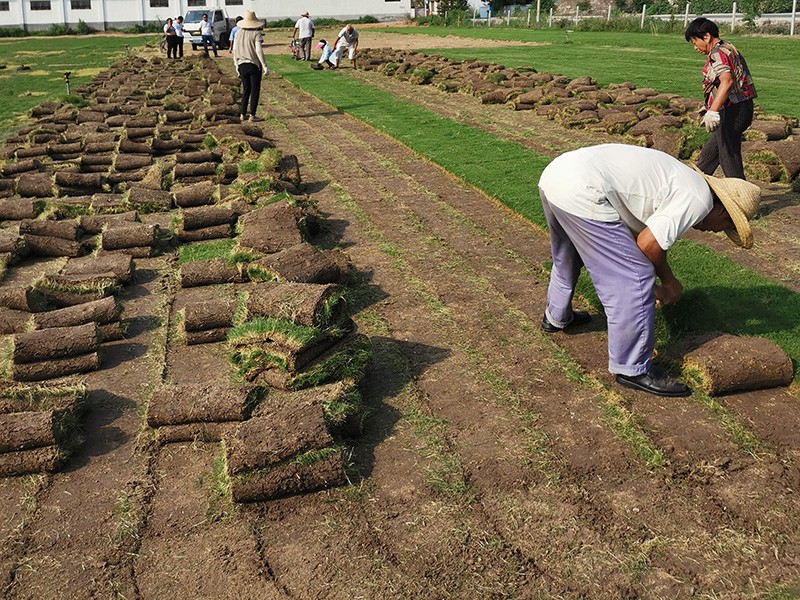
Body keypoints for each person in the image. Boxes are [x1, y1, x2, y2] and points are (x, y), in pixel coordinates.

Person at [538, 143, 761, 397]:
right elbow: (648, 243)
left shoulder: (686, 180)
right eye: (725, 225)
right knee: (635, 277)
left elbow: (640, 236)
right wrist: (668, 282)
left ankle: (556, 316)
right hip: (583, 189)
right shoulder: (699, 199)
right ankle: (632, 369)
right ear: (722, 209)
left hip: (556, 175)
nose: (717, 232)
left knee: (568, 255)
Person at [685, 17, 757, 180]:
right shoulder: (728, 47)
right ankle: (692, 184)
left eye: (695, 42)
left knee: (729, 157)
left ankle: (740, 198)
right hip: (742, 107)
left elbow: (727, 81)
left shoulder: (717, 54)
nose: (695, 47)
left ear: (706, 36)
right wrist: (710, 105)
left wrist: (713, 111)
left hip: (733, 110)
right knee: (708, 157)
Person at [232, 10, 269, 122]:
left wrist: (236, 65)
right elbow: (258, 50)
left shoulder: (238, 33)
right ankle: (252, 115)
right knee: (254, 90)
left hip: (241, 64)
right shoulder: (256, 34)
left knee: (246, 89)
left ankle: (242, 114)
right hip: (253, 64)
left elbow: (234, 50)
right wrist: (264, 65)